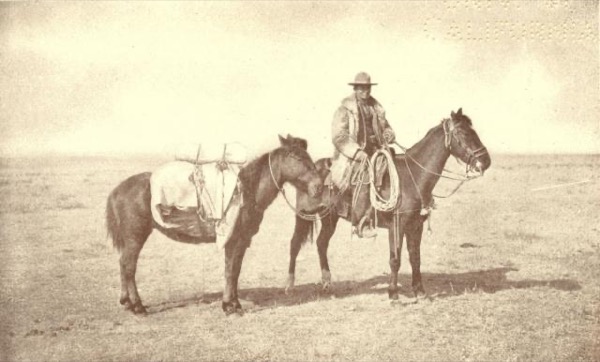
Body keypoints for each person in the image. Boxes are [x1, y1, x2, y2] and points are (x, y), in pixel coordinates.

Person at [330, 72, 396, 238]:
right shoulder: (345, 110)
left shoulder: (376, 108)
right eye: (361, 88)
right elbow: (339, 136)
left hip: (377, 151)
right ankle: (362, 222)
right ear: (355, 89)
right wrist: (357, 152)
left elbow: (386, 127)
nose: (365, 91)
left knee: (397, 166)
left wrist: (388, 134)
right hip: (353, 155)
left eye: (367, 88)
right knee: (366, 175)